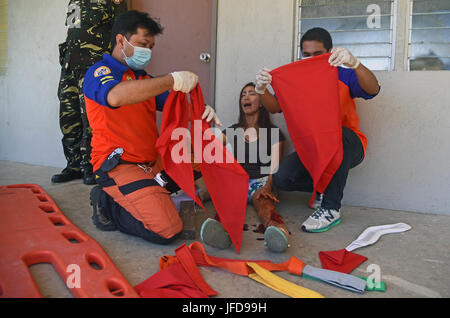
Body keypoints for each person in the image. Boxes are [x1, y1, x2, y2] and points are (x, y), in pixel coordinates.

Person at [83, 10, 221, 245]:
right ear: (120, 40)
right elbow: (115, 96)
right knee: (167, 228)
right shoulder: (99, 73)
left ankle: (152, 192)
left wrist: (203, 110)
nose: (147, 51)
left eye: (151, 46)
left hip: (151, 162)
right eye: (142, 44)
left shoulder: (144, 81)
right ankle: (106, 204)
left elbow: (175, 106)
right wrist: (171, 79)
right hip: (120, 166)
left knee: (210, 155)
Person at [255, 27, 381, 233]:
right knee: (283, 177)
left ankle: (330, 208)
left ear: (330, 52)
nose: (311, 59)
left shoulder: (342, 75)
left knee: (335, 135)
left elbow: (373, 89)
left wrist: (355, 64)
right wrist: (261, 90)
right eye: (306, 55)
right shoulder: (297, 81)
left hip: (349, 143)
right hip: (314, 150)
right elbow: (274, 107)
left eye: (317, 55)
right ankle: (322, 189)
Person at [200, 83, 290, 253]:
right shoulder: (233, 130)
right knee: (227, 204)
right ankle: (220, 233)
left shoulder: (274, 133)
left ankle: (278, 232)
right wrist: (202, 119)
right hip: (237, 181)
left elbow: (274, 167)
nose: (246, 97)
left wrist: (267, 187)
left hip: (262, 181)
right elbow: (210, 147)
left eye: (251, 94)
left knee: (264, 204)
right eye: (243, 95)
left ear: (262, 101)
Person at [53, 0, 128, 185]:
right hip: (71, 65)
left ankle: (91, 166)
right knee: (68, 117)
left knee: (91, 118)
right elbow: (72, 29)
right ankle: (73, 166)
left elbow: (122, 33)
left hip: (94, 67)